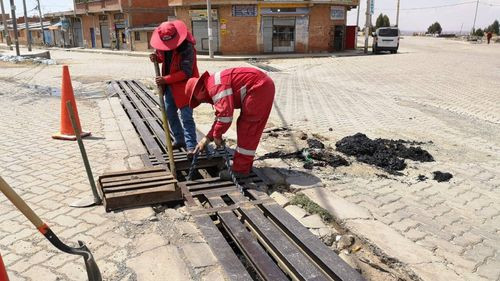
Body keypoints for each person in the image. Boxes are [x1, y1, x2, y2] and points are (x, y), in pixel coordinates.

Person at [184, 67, 275, 177]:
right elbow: (220, 117)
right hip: (260, 85)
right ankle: (244, 165)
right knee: (246, 127)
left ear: (199, 91)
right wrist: (206, 140)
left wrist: (217, 135)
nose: (201, 102)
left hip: (259, 87)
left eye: (198, 100)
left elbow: (225, 116)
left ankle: (240, 170)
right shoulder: (212, 84)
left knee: (248, 128)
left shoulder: (215, 87)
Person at [149, 20, 199, 155]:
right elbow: (164, 57)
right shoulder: (163, 45)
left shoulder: (187, 48)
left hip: (185, 87)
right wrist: (156, 58)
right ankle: (179, 139)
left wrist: (165, 79)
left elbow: (185, 72)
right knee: (170, 113)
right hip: (170, 87)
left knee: (186, 117)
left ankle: (191, 146)